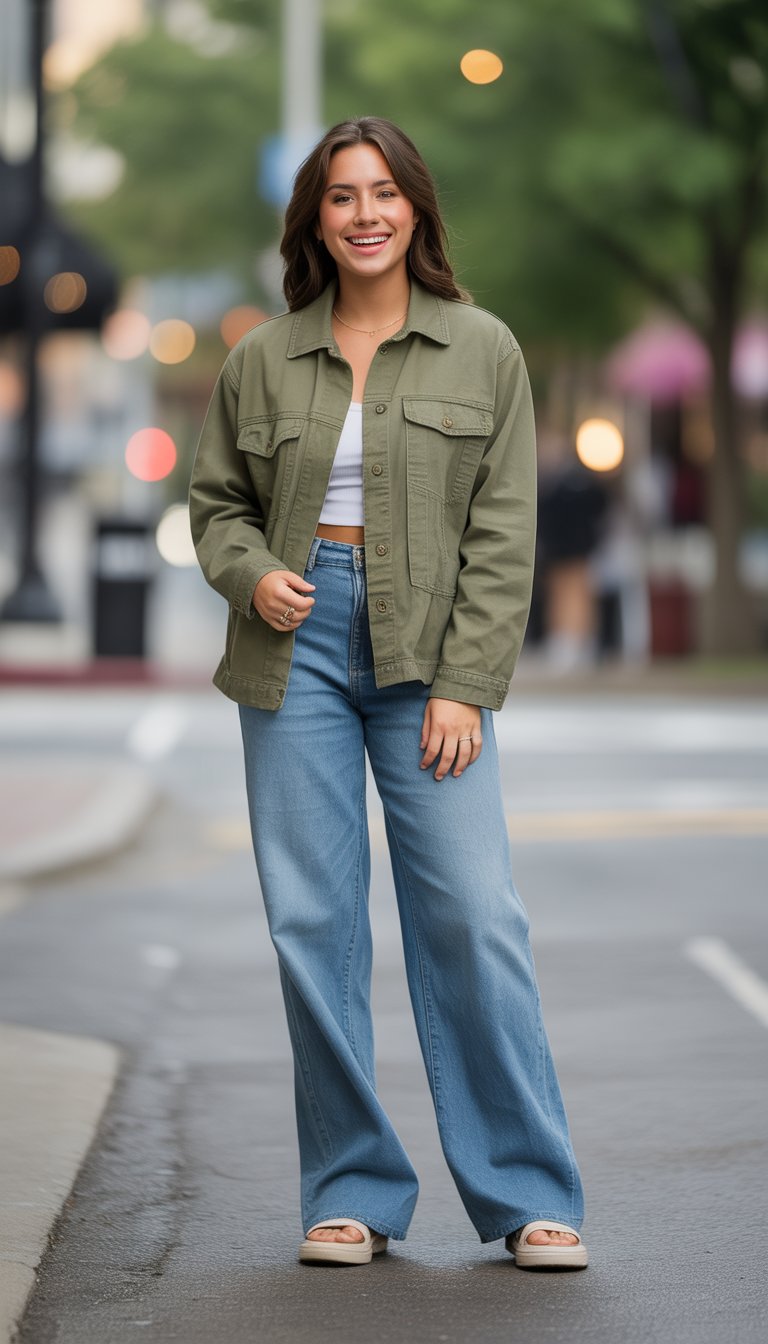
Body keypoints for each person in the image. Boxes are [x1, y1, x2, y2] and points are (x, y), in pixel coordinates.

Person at [189, 116, 587, 1270]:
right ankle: (351, 1191)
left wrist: (466, 684)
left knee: (472, 912)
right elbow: (216, 504)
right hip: (293, 643)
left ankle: (527, 1195)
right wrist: (253, 572)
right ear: (315, 218)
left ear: (416, 209)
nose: (365, 215)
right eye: (341, 196)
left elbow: (504, 532)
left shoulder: (484, 349)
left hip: (429, 655)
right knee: (313, 923)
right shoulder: (263, 357)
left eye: (384, 194)